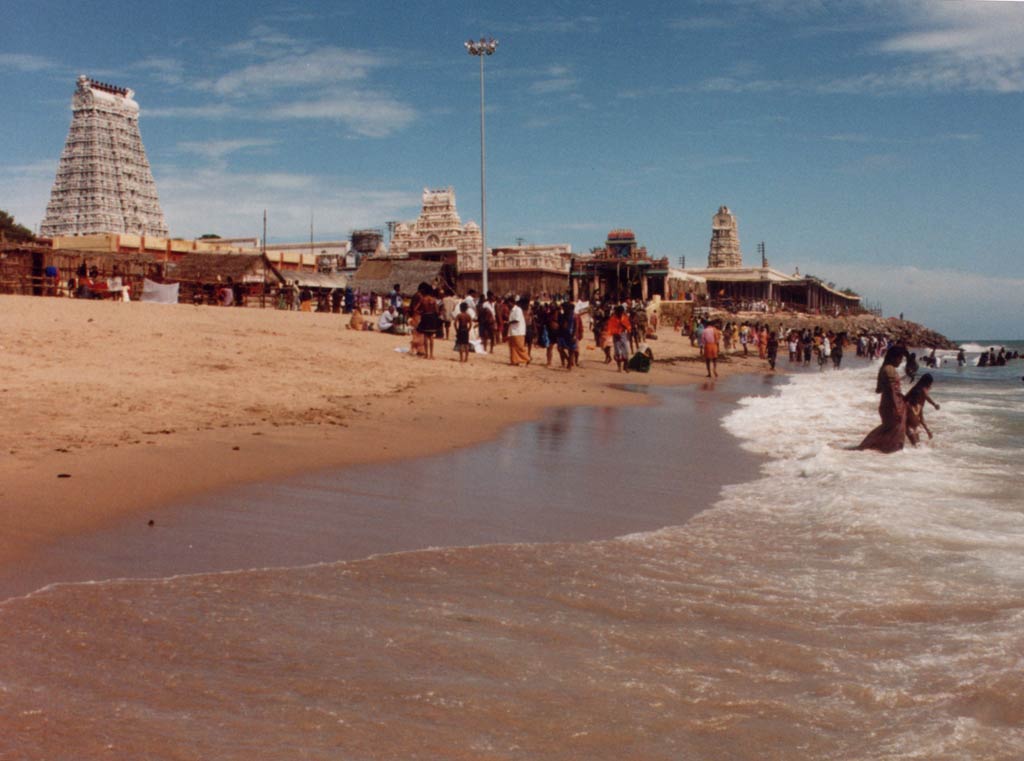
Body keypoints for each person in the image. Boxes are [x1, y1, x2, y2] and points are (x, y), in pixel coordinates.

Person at [857, 346, 908, 453]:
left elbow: (879, 389)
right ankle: (866, 447)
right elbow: (891, 390)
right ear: (894, 357)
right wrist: (897, 407)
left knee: (889, 429)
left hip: (886, 403)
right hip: (892, 405)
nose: (900, 361)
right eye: (900, 358)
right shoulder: (890, 369)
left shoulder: (885, 368)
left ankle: (872, 449)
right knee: (892, 430)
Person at [905, 373, 940, 446]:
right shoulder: (917, 405)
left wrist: (928, 431)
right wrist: (934, 404)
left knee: (917, 445)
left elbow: (921, 418)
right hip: (911, 426)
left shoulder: (914, 394)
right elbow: (926, 397)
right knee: (917, 445)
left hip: (910, 426)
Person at [412, 282, 440, 359]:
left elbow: (415, 309)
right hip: (432, 317)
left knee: (425, 336)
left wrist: (421, 312)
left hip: (425, 317)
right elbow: (437, 311)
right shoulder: (433, 300)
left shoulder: (423, 300)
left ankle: (426, 354)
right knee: (431, 337)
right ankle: (431, 355)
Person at [507, 296, 531, 366]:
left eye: (509, 303)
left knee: (520, 347)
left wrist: (508, 322)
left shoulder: (518, 310)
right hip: (512, 331)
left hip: (518, 331)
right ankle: (514, 361)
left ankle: (527, 358)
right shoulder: (511, 310)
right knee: (512, 347)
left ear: (512, 303)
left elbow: (516, 320)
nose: (508, 304)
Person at [608, 305, 632, 373]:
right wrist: (615, 333)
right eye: (619, 312)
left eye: (621, 312)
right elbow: (610, 329)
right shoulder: (612, 319)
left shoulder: (624, 318)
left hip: (623, 335)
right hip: (616, 336)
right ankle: (619, 367)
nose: (620, 313)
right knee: (618, 352)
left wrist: (624, 326)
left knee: (626, 351)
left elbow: (629, 327)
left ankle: (626, 367)